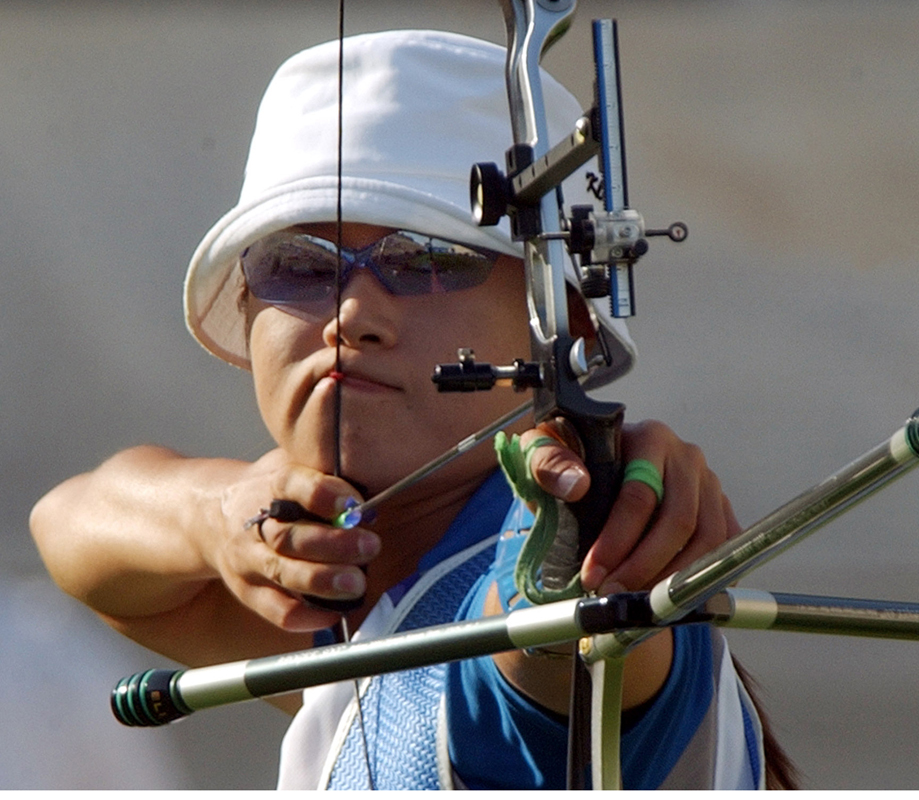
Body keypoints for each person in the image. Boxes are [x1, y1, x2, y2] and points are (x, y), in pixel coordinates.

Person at [30, 29, 795, 790]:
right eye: (299, 265)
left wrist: (577, 543)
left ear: (565, 320)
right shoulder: (349, 604)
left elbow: (551, 646)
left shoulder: (507, 587)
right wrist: (219, 514)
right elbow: (69, 525)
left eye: (427, 261)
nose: (353, 314)